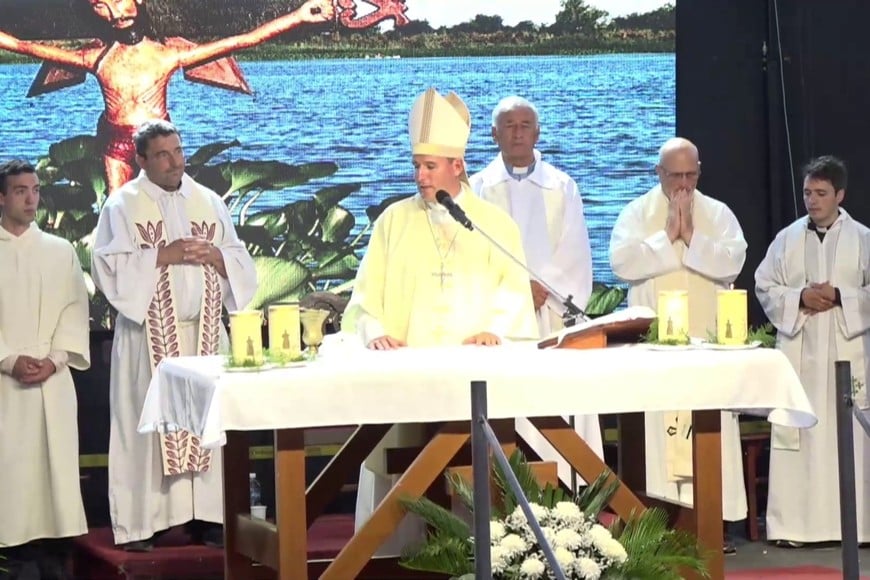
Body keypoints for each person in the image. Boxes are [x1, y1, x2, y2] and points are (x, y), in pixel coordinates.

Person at [343, 87, 539, 555]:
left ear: (457, 166)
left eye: (430, 167)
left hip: (473, 380)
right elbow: (364, 295)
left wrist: (497, 327)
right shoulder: (393, 220)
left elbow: (514, 292)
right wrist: (375, 332)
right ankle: (397, 559)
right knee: (404, 476)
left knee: (474, 479)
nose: (420, 176)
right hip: (407, 379)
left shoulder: (494, 222)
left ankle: (481, 557)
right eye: (416, 166)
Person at [92, 120, 257, 550]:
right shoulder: (122, 205)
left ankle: (210, 516)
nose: (174, 161)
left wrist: (218, 257)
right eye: (163, 154)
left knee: (207, 426)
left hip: (202, 337)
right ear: (141, 160)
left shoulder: (208, 201)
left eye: (178, 151)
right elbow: (109, 266)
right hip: (149, 341)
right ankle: (145, 524)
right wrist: (161, 256)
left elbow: (240, 261)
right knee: (145, 431)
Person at [0, 0, 337, 191]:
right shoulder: (95, 58)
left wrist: (297, 17)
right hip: (115, 143)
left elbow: (244, 40)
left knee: (168, 209)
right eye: (101, 6)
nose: (114, 12)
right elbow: (25, 46)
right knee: (119, 214)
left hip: (158, 142)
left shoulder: (167, 55)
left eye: (118, 1)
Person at [609, 137, 748, 548]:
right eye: (675, 176)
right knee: (657, 433)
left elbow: (733, 261)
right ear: (659, 173)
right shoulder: (637, 213)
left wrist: (693, 237)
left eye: (690, 175)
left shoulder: (718, 214)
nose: (683, 185)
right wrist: (668, 235)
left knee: (707, 429)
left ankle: (709, 524)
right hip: (656, 348)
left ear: (699, 171)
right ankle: (659, 521)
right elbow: (622, 264)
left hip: (704, 342)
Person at [469, 95, 601, 490]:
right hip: (500, 321)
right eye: (509, 125)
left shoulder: (561, 186)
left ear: (537, 132)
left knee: (555, 410)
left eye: (525, 125)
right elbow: (472, 254)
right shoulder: (476, 188)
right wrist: (514, 290)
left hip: (551, 316)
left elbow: (575, 251)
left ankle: (565, 490)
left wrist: (543, 288)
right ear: (494, 134)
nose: (518, 132)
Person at [756, 155, 870, 545]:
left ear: (840, 194)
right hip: (801, 354)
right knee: (798, 435)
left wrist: (840, 295)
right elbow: (764, 286)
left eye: (821, 193)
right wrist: (801, 296)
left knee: (849, 439)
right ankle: (795, 527)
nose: (812, 200)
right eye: (807, 192)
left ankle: (856, 527)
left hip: (846, 353)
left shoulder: (864, 239)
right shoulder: (786, 239)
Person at [0, 160, 90, 578]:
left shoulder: (60, 251)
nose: (31, 198)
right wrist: (9, 359)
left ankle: (55, 557)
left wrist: (55, 360)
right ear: (1, 197)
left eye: (35, 189)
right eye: (20, 190)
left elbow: (74, 309)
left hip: (52, 381)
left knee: (53, 474)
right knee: (11, 470)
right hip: (5, 382)